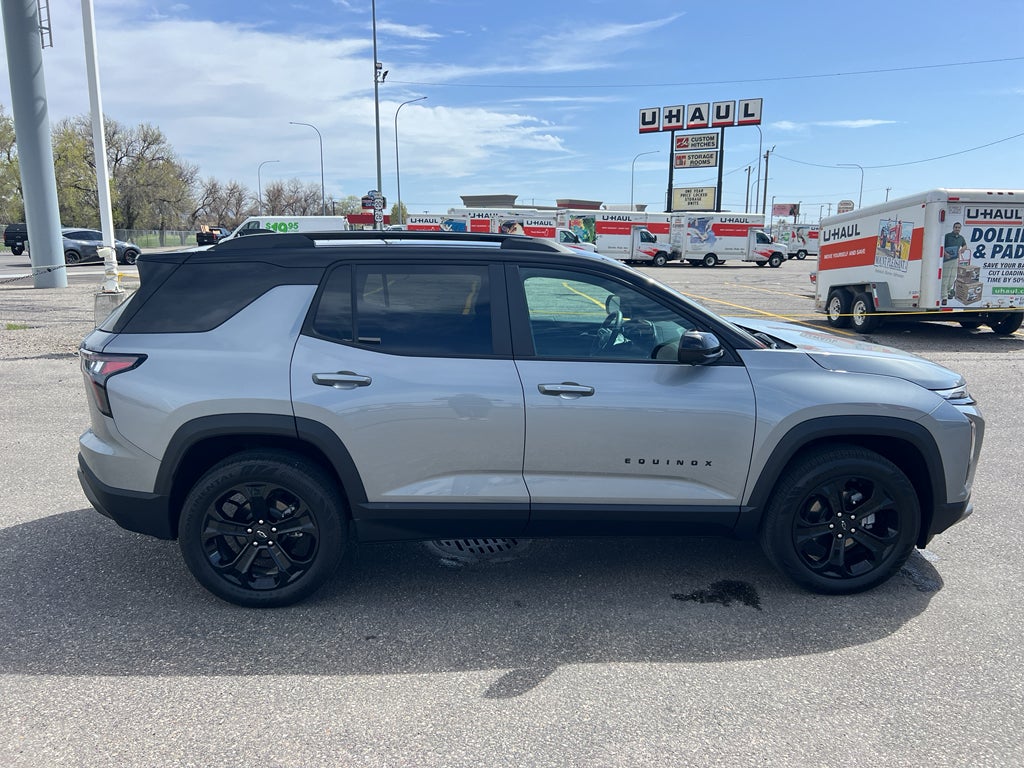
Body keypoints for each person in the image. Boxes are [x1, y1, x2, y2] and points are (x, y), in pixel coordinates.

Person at [942, 222, 967, 299]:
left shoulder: (961, 238)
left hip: (955, 259)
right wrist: (945, 254)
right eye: (956, 227)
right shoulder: (947, 236)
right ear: (953, 228)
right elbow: (941, 246)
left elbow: (965, 245)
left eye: (959, 228)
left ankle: (948, 291)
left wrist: (963, 248)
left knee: (952, 277)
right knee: (945, 278)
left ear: (960, 229)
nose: (957, 229)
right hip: (947, 260)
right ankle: (944, 296)